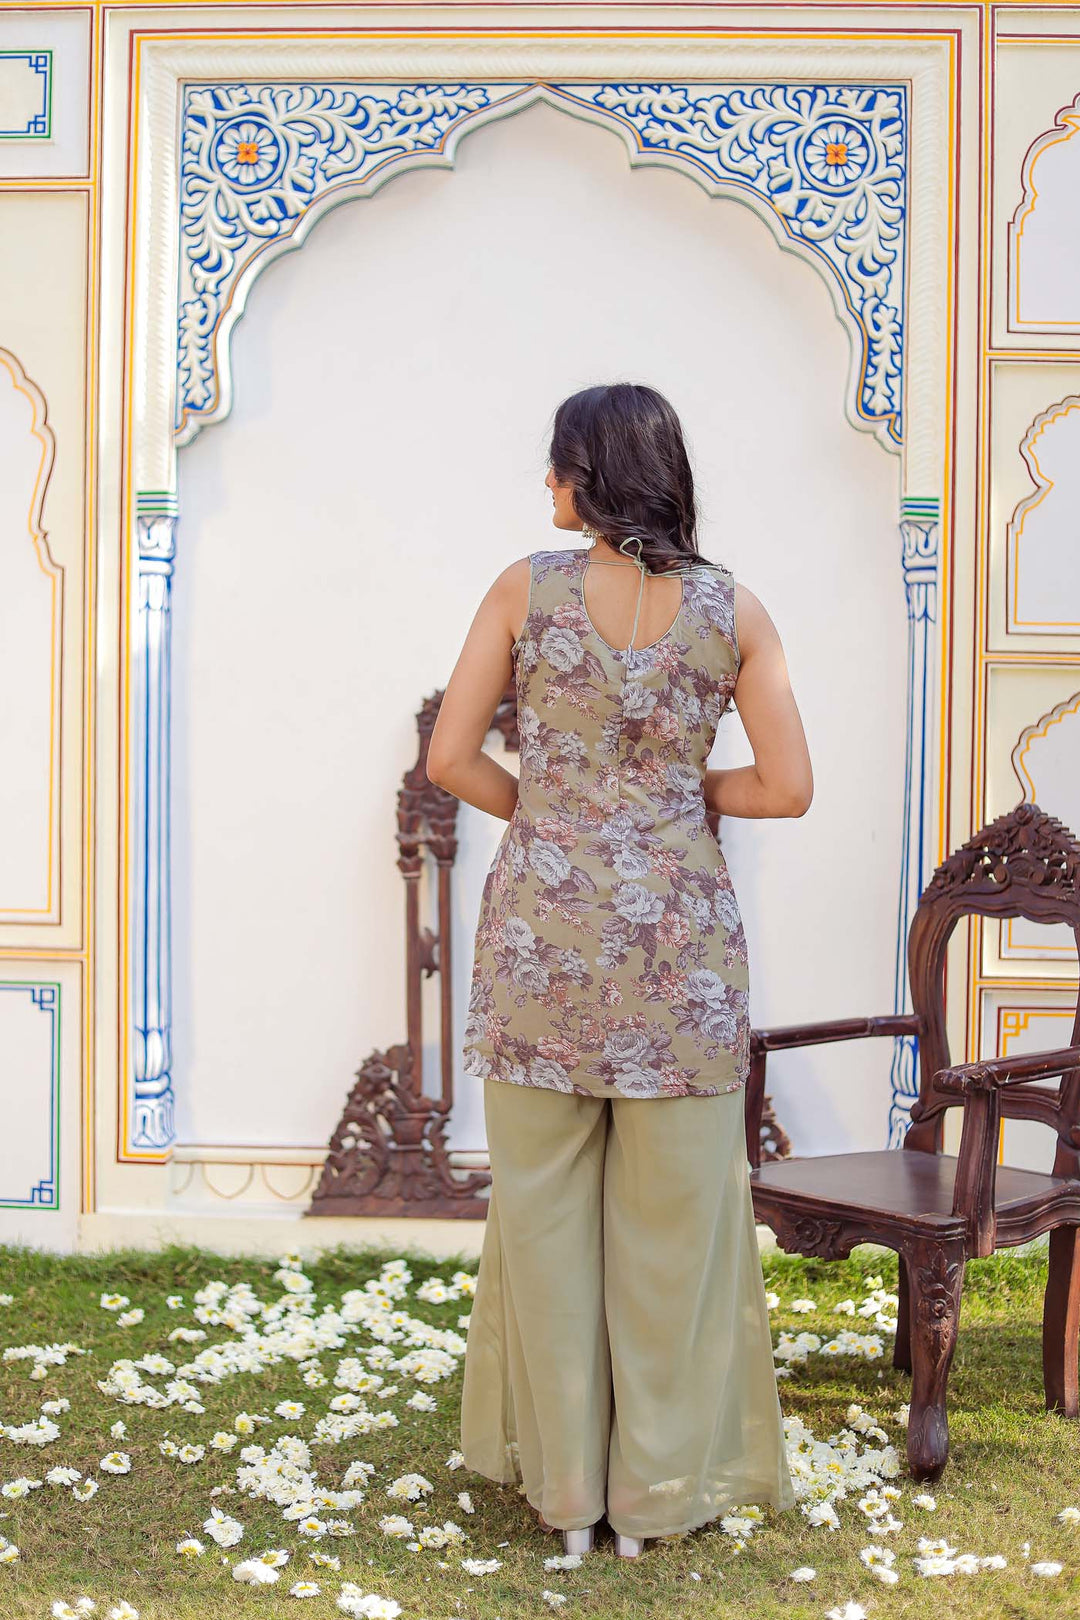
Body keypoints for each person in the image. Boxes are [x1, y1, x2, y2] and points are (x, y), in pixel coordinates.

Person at [426, 382, 812, 1558]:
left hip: (542, 943)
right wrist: (682, 798)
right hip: (680, 964)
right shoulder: (732, 610)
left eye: (555, 468)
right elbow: (786, 789)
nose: (546, 489)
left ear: (588, 477)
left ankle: (567, 1505)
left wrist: (550, 812)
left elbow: (451, 757)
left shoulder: (520, 591)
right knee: (672, 1234)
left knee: (541, 1222)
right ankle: (651, 1505)